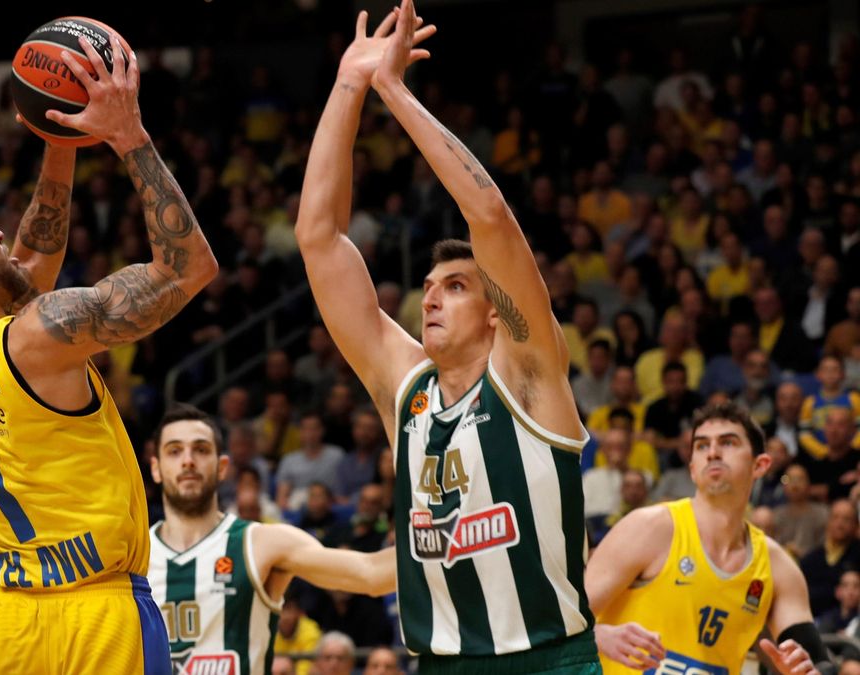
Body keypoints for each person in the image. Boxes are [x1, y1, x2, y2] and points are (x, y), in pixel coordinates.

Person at [0, 33, 216, 674]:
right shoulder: (37, 337)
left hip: (9, 619)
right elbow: (187, 268)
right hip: (98, 610)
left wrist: (61, 142)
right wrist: (128, 136)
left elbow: (23, 266)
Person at [296, 2, 596, 671]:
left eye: (456, 286)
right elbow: (319, 240)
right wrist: (350, 82)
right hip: (438, 659)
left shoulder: (527, 370)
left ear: (496, 311)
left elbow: (487, 213)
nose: (432, 294)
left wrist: (394, 93)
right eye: (429, 285)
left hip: (547, 658)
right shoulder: (405, 387)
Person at [587, 402, 830, 675]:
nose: (713, 452)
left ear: (759, 465)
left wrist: (806, 670)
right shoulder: (649, 528)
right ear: (692, 468)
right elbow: (560, 623)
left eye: (728, 443)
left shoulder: (777, 567)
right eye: (702, 446)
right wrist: (598, 636)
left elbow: (814, 662)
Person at [147, 406, 394, 673]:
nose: (188, 461)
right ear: (156, 468)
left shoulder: (260, 543)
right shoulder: (132, 557)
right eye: (174, 451)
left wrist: (439, 545)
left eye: (201, 449)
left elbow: (370, 574)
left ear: (222, 467)